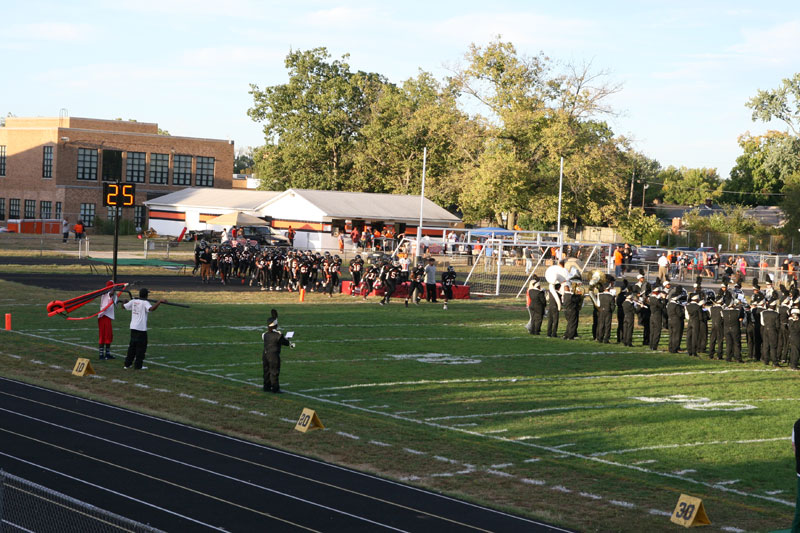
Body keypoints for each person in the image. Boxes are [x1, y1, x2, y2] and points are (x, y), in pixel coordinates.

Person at [122, 288, 164, 370]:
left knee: (132, 347)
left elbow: (123, 307)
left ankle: (127, 364)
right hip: (141, 329)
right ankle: (138, 365)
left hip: (133, 328)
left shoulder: (134, 301)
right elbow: (151, 309)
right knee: (141, 348)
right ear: (146, 295)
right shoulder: (145, 302)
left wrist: (124, 301)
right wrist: (159, 302)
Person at [261, 309, 295, 393]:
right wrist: (289, 341)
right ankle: (275, 389)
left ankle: (266, 387)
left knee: (266, 371)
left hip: (265, 354)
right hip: (274, 356)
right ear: (275, 326)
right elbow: (284, 342)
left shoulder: (264, 334)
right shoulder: (278, 335)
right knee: (274, 372)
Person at [98, 281, 117, 360]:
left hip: (107, 317)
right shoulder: (107, 293)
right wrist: (114, 288)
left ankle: (107, 354)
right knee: (103, 335)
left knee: (109, 335)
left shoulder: (109, 294)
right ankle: (101, 354)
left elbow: (113, 299)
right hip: (104, 317)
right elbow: (111, 293)